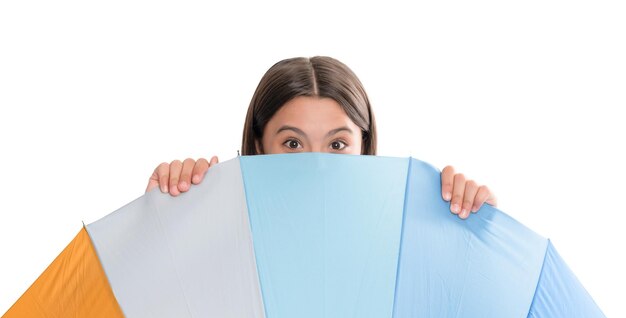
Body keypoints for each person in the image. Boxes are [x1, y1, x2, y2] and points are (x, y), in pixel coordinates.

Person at [145, 56, 497, 219]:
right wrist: (161, 224)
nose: (317, 164)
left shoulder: (403, 241)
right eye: (293, 143)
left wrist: (474, 236)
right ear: (258, 146)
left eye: (337, 145)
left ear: (364, 147)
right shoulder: (219, 235)